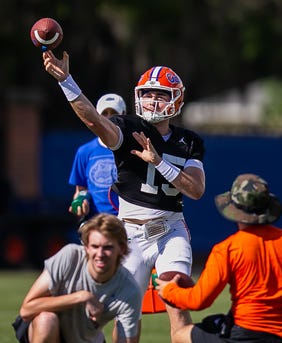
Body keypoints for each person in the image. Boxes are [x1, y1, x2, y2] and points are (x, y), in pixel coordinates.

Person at [42, 50, 206, 341]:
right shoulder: (127, 127)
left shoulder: (188, 142)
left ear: (176, 100)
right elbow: (93, 120)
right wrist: (66, 80)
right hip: (129, 233)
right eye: (148, 94)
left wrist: (158, 162)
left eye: (161, 95)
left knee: (177, 304)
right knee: (126, 314)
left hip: (171, 230)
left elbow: (196, 190)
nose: (152, 101)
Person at [156, 173, 282, 343]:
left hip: (246, 334)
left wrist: (168, 291)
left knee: (181, 334)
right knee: (212, 323)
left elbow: (199, 301)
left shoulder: (228, 249)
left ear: (233, 208)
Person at [12, 213, 141, 343]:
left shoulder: (129, 290)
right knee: (46, 320)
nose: (100, 254)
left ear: (122, 249)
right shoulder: (70, 257)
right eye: (94, 246)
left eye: (108, 247)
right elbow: (26, 310)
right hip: (44, 329)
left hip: (85, 338)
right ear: (86, 248)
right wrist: (81, 297)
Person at [68, 93, 126, 220]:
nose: (109, 118)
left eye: (114, 113)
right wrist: (80, 202)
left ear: (123, 114)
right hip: (96, 222)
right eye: (104, 113)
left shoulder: (131, 149)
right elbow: (81, 190)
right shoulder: (85, 152)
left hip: (128, 224)